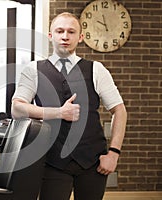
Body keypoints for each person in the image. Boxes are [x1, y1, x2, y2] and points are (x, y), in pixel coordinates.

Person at [11, 12, 127, 200]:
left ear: (80, 37)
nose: (65, 36)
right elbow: (17, 108)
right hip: (51, 161)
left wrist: (114, 153)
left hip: (92, 162)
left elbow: (119, 110)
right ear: (51, 35)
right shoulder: (33, 70)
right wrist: (58, 112)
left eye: (71, 32)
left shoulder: (96, 69)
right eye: (60, 31)